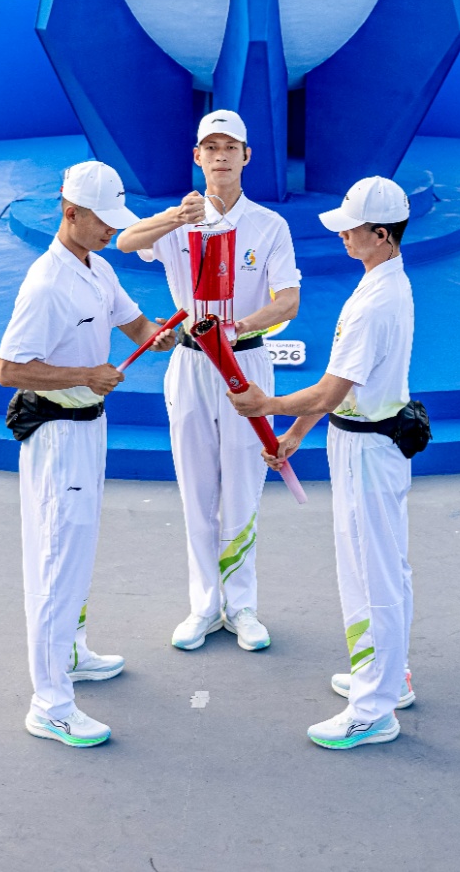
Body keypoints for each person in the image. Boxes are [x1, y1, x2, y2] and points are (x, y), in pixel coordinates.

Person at [230, 176, 420, 750]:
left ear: (381, 234)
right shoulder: (383, 282)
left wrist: (268, 406)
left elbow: (332, 389)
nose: (342, 235)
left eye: (351, 228)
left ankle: (373, 709)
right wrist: (294, 434)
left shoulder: (375, 302)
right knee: (384, 566)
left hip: (367, 449)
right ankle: (388, 677)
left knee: (371, 572)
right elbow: (344, 387)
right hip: (369, 441)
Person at [0, 160, 177, 748]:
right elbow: (9, 369)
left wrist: (164, 336)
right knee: (56, 558)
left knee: (76, 549)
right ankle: (49, 704)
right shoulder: (46, 284)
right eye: (103, 221)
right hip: (57, 436)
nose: (111, 230)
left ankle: (70, 652)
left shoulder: (98, 268)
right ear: (70, 212)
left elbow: (136, 325)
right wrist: (86, 375)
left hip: (89, 428)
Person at [115, 110, 301, 655]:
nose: (221, 155)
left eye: (230, 147)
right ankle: (203, 604)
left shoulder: (269, 225)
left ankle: (241, 606)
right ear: (197, 156)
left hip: (245, 366)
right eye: (211, 147)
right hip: (192, 364)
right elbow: (124, 241)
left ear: (246, 156)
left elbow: (288, 300)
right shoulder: (179, 218)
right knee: (196, 487)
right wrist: (176, 217)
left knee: (243, 484)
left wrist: (238, 328)